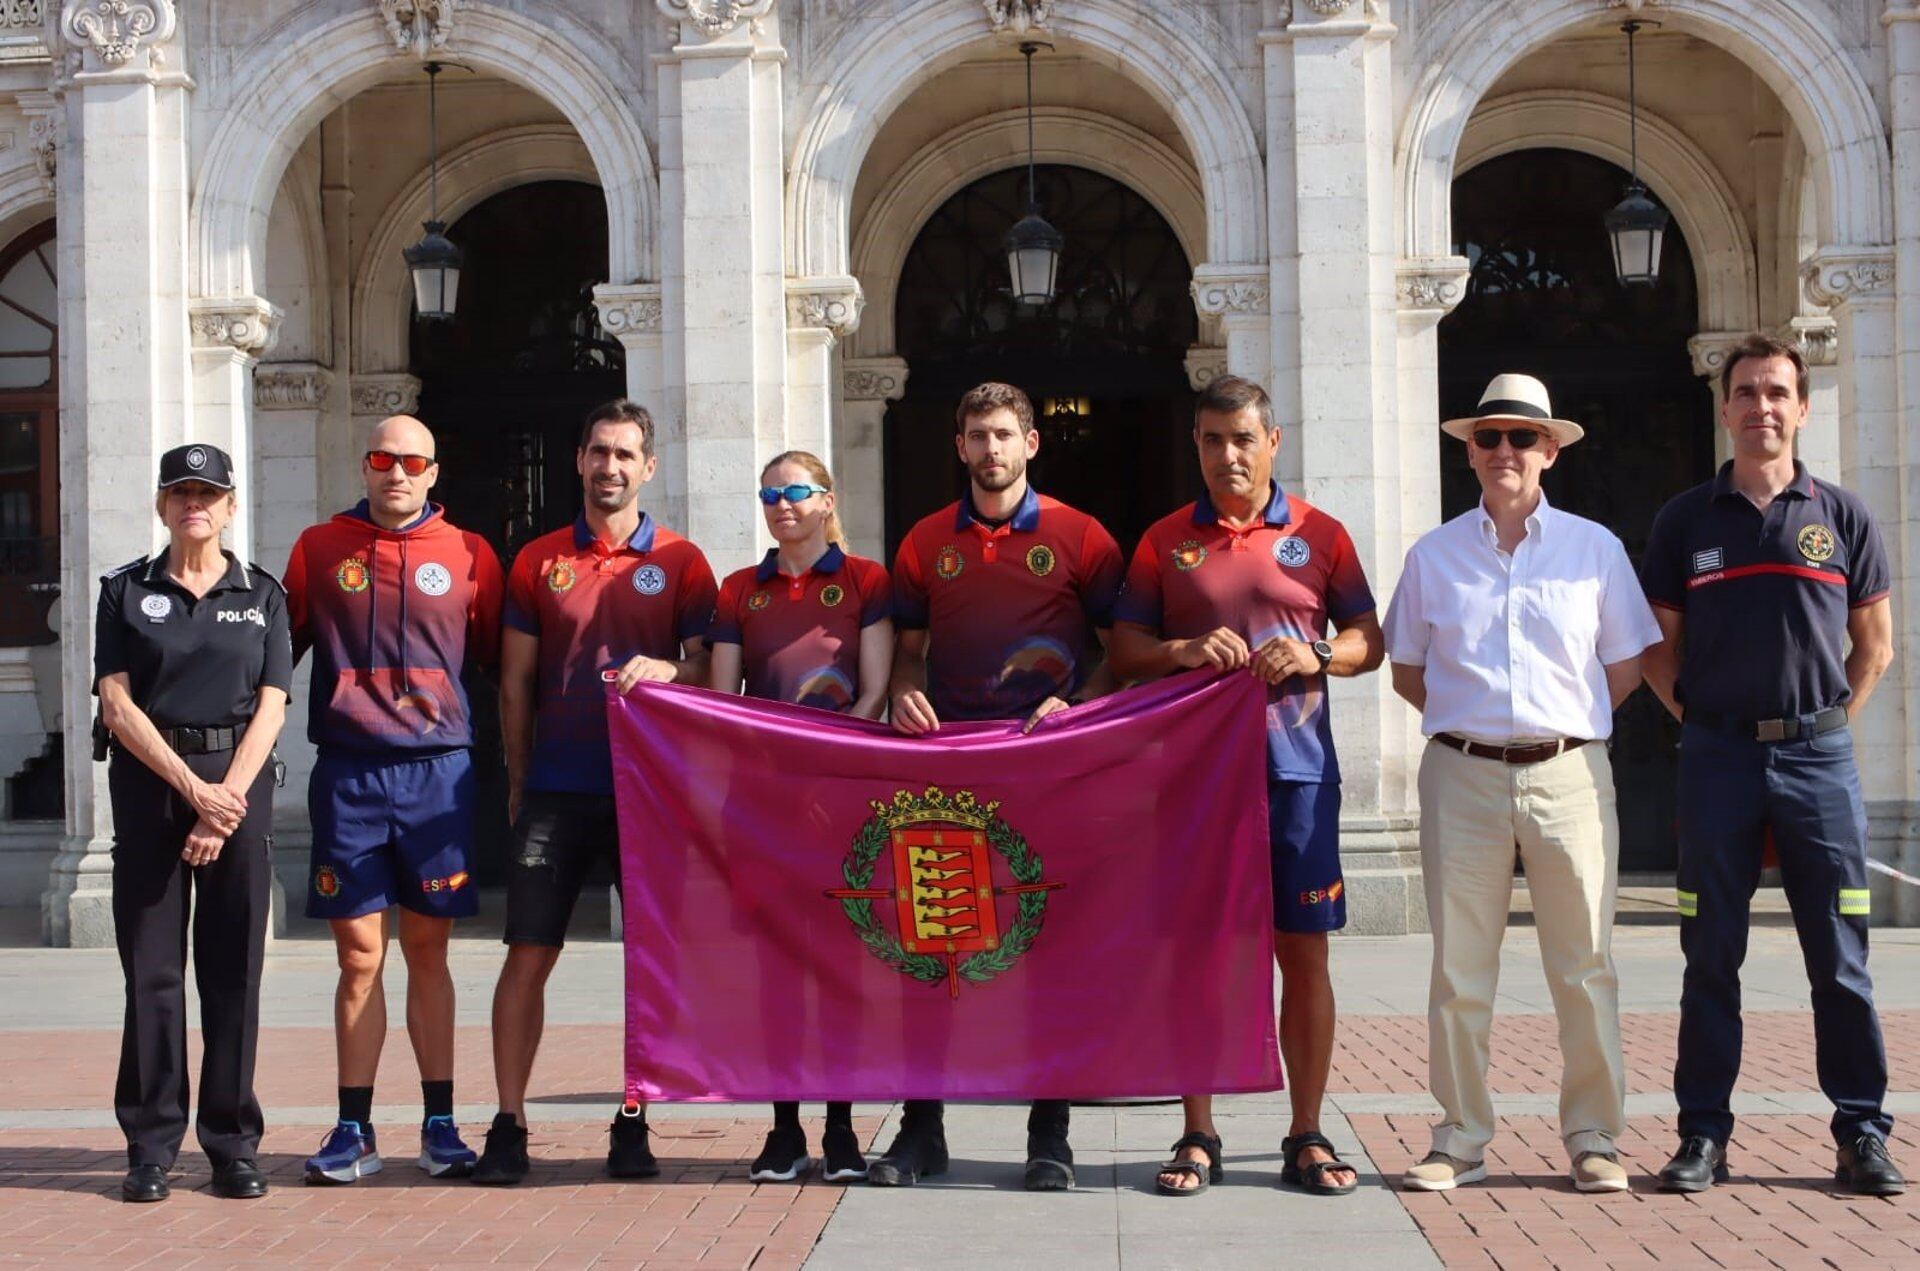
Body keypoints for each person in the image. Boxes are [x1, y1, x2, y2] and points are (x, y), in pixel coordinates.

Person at [1381, 373, 1659, 1194]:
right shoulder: (1432, 554)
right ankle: (1460, 1137)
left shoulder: (1595, 549)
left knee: (1585, 965)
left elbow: (1627, 665)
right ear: (1469, 450)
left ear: (1551, 451)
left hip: (1571, 773)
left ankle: (1595, 1136)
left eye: (1523, 437)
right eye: (1491, 436)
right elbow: (1406, 669)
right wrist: (1480, 729)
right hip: (1460, 774)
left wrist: (1555, 729)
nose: (1506, 450)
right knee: (1460, 968)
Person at [1640, 335, 1904, 1196]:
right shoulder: (1685, 520)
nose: (1762, 406)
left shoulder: (1845, 516)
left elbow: (1876, 646)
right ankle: (1703, 1136)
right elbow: (1656, 649)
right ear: (1725, 408)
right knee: (1710, 955)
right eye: (1746, 391)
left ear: (1803, 406)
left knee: (1841, 958)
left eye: (1778, 392)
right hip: (1716, 758)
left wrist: (1823, 729)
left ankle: (1861, 1131)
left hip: (1819, 758)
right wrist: (1709, 724)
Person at [1107, 375, 1383, 1198]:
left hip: (1297, 771)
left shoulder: (1320, 533)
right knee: (1198, 955)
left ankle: (1306, 1130)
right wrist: (1180, 653)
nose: (1227, 455)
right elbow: (1124, 647)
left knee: (1303, 952)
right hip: (1192, 781)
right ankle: (1198, 1130)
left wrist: (1318, 655)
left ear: (1273, 442)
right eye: (1211, 440)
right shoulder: (1164, 540)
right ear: (1196, 445)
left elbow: (1370, 635)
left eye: (1241, 438)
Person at [875, 381, 1124, 1191]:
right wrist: (905, 689)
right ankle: (922, 1131)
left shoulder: (1080, 537)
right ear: (959, 446)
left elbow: (1123, 648)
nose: (991, 450)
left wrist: (1078, 702)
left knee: (1044, 954)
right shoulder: (920, 544)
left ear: (1031, 444)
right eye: (977, 435)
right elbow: (908, 646)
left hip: (1048, 771)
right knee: (933, 946)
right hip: (947, 775)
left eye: (1005, 435)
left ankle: (1049, 1134)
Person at [472, 399, 718, 1186]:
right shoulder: (537, 559)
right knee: (526, 954)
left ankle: (633, 1120)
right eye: (599, 451)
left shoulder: (683, 562)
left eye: (626, 455)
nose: (610, 467)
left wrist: (670, 668)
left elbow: (715, 672)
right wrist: (517, 781)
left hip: (650, 795)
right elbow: (514, 683)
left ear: (649, 467)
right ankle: (508, 1122)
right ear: (578, 459)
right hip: (557, 788)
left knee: (646, 968)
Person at [283, 415, 505, 1184]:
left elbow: (490, 655)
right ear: (365, 464)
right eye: (382, 458)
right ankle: (353, 1129)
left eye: (412, 461)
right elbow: (276, 651)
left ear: (434, 471)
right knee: (357, 957)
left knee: (429, 951)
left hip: (437, 773)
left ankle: (440, 1123)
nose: (396, 472)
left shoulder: (472, 553)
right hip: (348, 772)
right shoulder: (319, 547)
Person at [95, 443, 291, 1203]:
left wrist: (225, 799)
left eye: (207, 492)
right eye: (180, 491)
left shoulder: (262, 594)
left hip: (236, 785)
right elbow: (116, 704)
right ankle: (150, 1146)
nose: (193, 504)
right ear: (161, 504)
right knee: (152, 974)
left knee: (233, 973)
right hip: (151, 787)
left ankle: (232, 1143)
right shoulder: (125, 592)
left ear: (231, 506)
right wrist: (191, 791)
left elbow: (272, 704)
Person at [708, 450, 893, 1184]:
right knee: (776, 969)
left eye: (795, 492)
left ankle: (842, 1130)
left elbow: (874, 692)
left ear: (826, 499)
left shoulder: (865, 580)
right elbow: (726, 699)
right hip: (762, 804)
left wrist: (826, 766)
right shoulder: (735, 590)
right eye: (769, 494)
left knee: (842, 965)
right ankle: (783, 1130)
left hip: (842, 799)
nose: (781, 505)